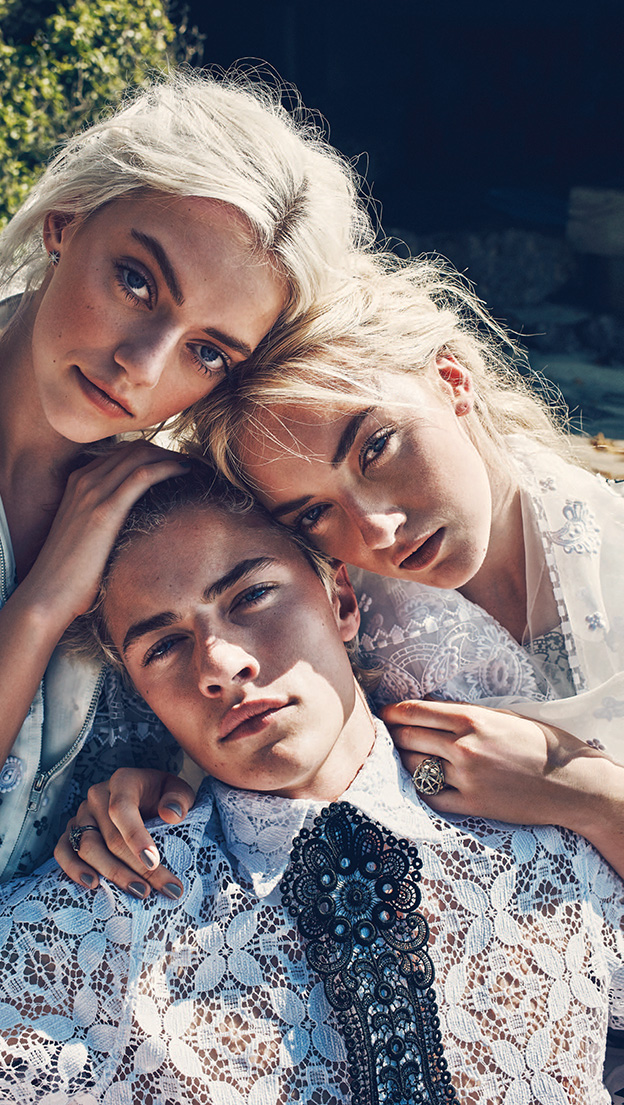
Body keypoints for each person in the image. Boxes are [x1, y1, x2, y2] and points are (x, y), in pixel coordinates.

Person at [0, 465, 622, 1104]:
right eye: (165, 645)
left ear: (342, 597)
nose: (221, 664)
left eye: (251, 596)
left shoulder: (547, 826)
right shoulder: (109, 906)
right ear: (139, 693)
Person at [0, 67, 366, 986]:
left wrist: (179, 790)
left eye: (206, 350)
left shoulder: (207, 498)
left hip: (80, 1008)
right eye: (137, 281)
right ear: (65, 221)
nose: (143, 367)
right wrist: (41, 608)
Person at [180, 250, 624, 877]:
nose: (377, 530)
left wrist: (586, 793)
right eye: (313, 514)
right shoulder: (326, 625)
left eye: (376, 447)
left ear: (452, 379)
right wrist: (153, 795)